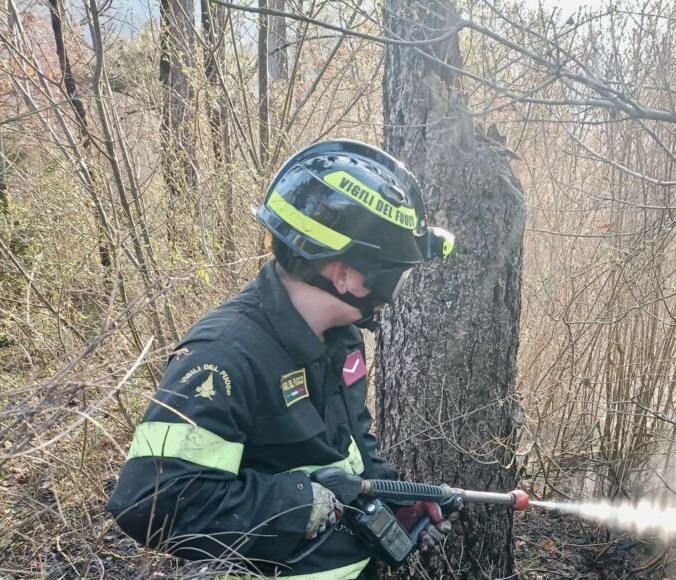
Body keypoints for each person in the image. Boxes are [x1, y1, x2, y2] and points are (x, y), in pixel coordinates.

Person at [107, 140, 457, 578]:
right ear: (345, 274)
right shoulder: (224, 357)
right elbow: (151, 502)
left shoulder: (342, 339)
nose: (400, 287)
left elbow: (350, 450)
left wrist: (393, 496)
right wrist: (300, 505)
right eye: (397, 271)